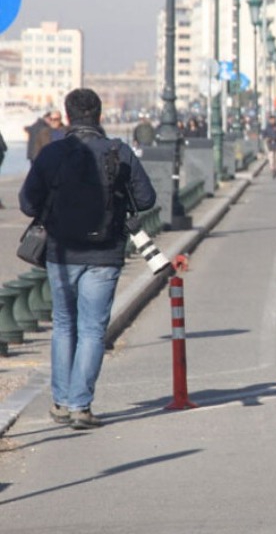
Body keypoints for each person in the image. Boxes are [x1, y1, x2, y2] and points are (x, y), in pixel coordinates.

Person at [19, 88, 157, 430]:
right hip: (105, 253)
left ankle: (62, 403)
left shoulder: (52, 153)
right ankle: (81, 406)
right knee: (93, 330)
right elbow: (146, 198)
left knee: (64, 325)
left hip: (61, 253)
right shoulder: (119, 151)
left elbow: (26, 203)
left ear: (67, 117)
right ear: (99, 116)